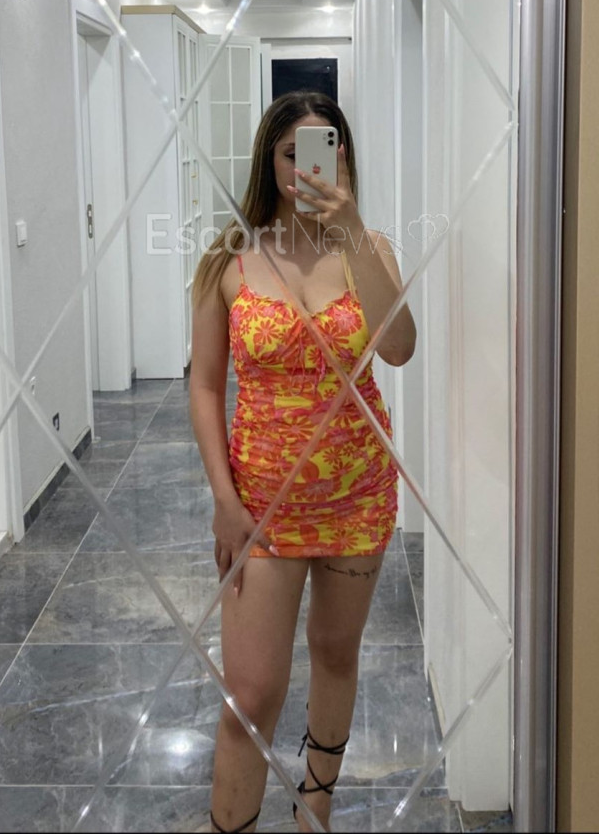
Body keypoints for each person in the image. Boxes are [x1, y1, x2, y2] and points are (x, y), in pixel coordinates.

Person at [189, 91, 416, 834]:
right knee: (250, 695)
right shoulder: (228, 259)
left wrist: (349, 231)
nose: (307, 169)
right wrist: (223, 501)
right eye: (292, 154)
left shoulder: (369, 249)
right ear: (270, 160)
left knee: (335, 654)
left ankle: (314, 806)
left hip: (358, 494)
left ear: (343, 158)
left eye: (325, 151)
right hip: (261, 506)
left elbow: (398, 348)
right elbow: (204, 385)